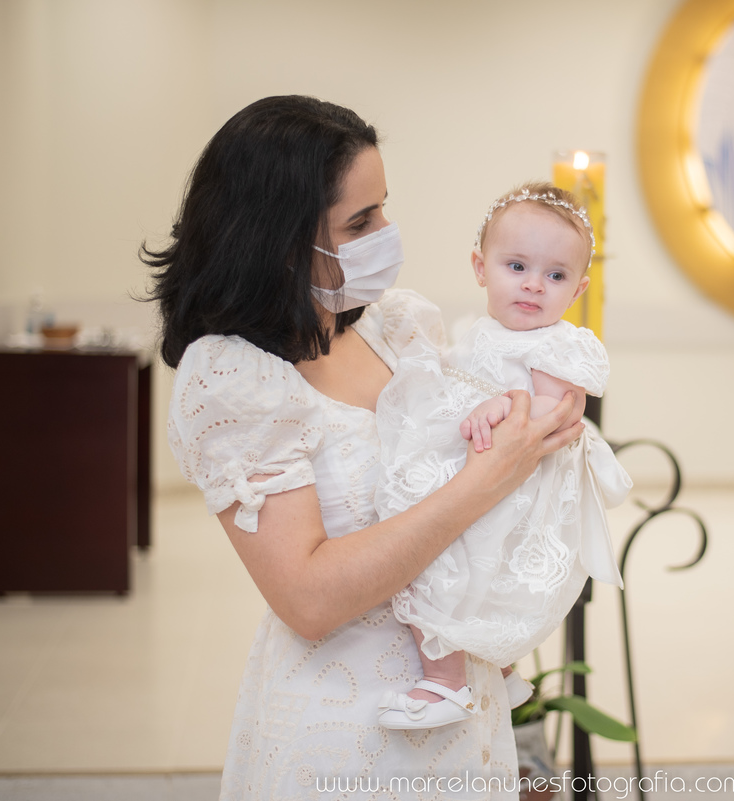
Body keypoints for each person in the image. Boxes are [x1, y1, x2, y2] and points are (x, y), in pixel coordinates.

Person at [147, 96, 583, 800]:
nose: (388, 231)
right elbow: (309, 598)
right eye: (361, 221)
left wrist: (546, 406)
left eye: (384, 207)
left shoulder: (395, 326)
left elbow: (480, 434)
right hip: (347, 727)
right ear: (281, 238)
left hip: (460, 709)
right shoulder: (235, 378)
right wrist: (487, 479)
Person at [370, 184, 632, 730]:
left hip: (519, 485)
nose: (535, 284)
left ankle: (446, 682)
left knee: (444, 568)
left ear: (579, 288)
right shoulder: (482, 331)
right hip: (486, 467)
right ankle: (503, 667)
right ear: (480, 266)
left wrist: (498, 406)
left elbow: (549, 411)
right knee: (473, 570)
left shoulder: (557, 343)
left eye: (556, 276)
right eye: (517, 265)